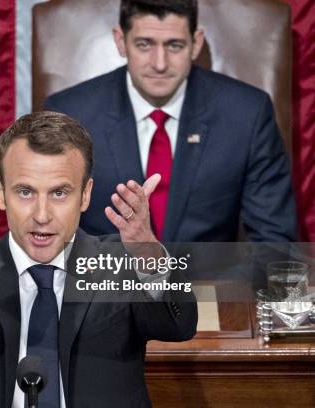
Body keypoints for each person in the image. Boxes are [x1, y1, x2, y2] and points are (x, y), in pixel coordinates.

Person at [0, 111, 197, 407]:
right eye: (25, 192)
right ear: (0, 192)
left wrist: (147, 254)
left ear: (85, 195)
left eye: (59, 193)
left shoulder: (121, 267)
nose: (42, 215)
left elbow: (178, 327)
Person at [45, 0, 296, 243]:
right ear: (121, 42)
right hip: (108, 281)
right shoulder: (69, 115)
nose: (160, 64)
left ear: (196, 43)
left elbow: (273, 242)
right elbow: (50, 230)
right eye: (144, 44)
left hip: (208, 282)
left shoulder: (247, 113)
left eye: (174, 45)